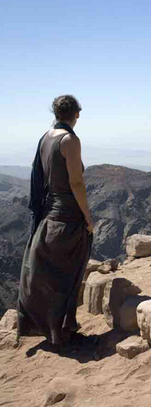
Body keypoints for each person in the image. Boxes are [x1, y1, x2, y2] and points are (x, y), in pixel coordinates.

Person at [17, 95, 94, 350]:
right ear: (77, 114)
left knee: (52, 274)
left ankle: (54, 329)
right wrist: (87, 216)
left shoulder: (46, 137)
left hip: (49, 215)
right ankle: (62, 333)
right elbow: (76, 183)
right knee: (68, 274)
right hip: (68, 216)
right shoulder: (70, 140)